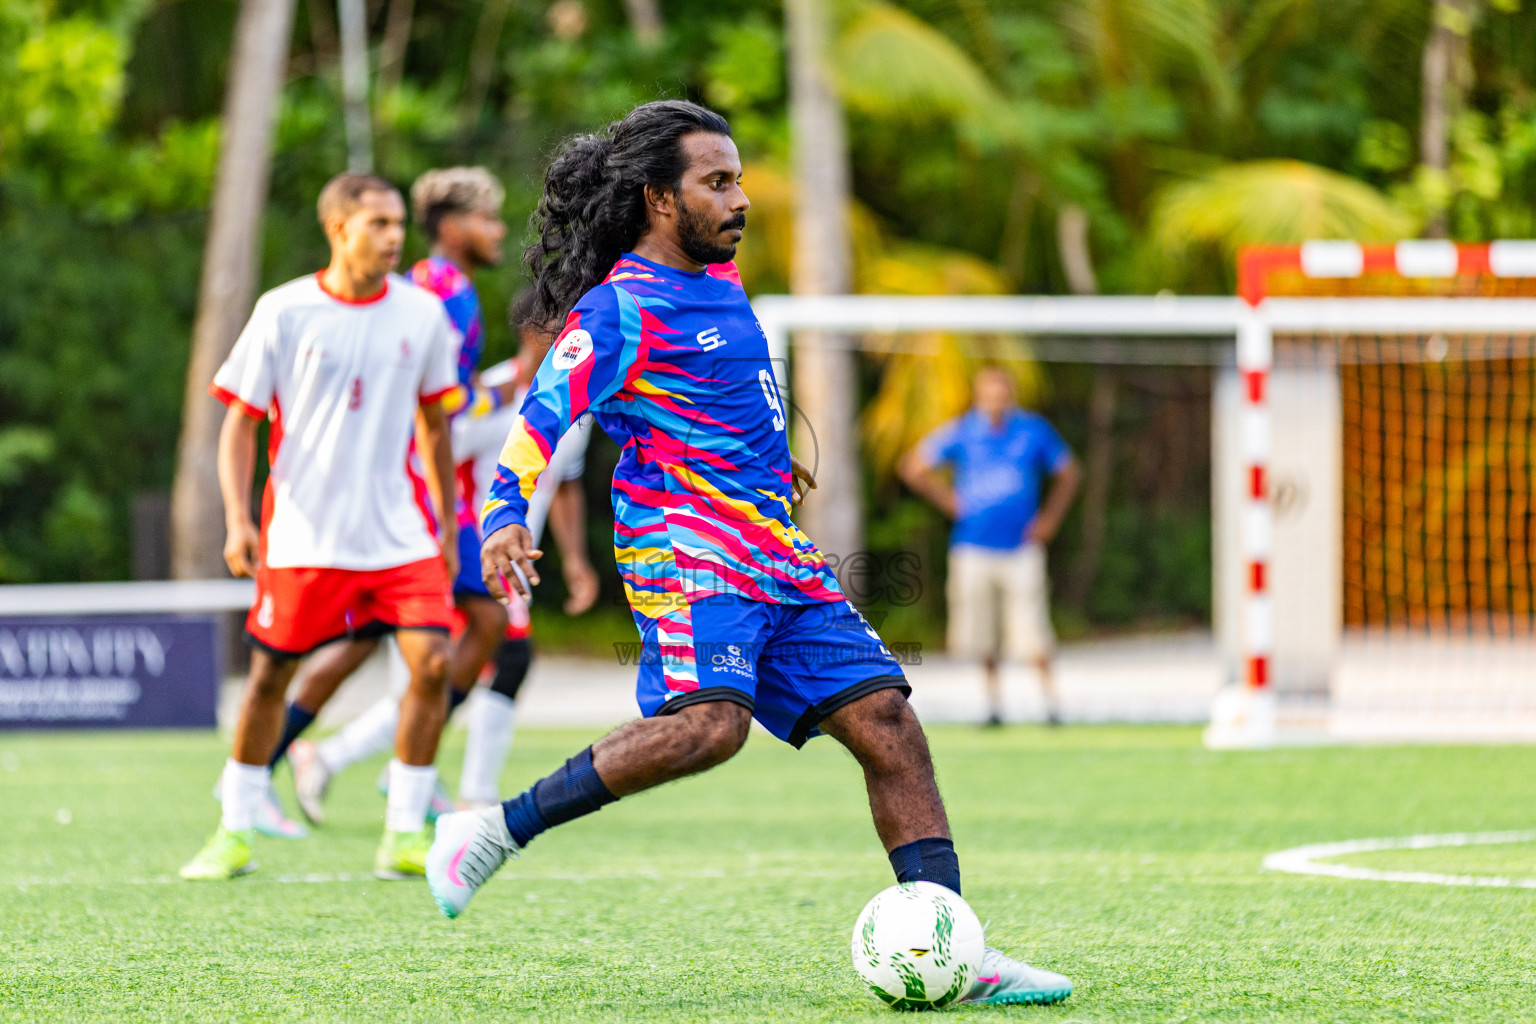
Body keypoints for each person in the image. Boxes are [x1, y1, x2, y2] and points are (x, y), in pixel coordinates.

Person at [423, 100, 1072, 1007]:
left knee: (889, 723)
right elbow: (541, 417)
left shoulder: (722, 286)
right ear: (659, 198)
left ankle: (954, 953)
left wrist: (773, 464)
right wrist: (503, 515)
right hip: (687, 552)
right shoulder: (616, 310)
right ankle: (491, 831)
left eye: (739, 180)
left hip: (776, 551)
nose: (740, 199)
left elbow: (714, 408)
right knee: (710, 728)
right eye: (717, 182)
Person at [181, 172, 460, 882]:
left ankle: (403, 829)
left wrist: (447, 522)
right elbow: (240, 424)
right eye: (379, 224)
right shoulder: (284, 310)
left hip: (401, 534)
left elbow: (434, 422)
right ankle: (235, 825)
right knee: (271, 675)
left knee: (433, 665)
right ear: (339, 229)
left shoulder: (423, 314)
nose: (395, 237)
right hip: (303, 536)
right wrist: (239, 519)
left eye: (399, 223)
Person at [288, 298, 597, 819]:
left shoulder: (577, 404)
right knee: (497, 662)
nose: (575, 339)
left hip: (512, 562)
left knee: (457, 673)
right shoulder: (489, 400)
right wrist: (451, 545)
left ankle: (350, 759)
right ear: (530, 333)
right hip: (467, 558)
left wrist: (575, 561)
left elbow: (563, 485)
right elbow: (435, 460)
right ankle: (464, 791)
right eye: (562, 329)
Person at [900, 366, 1080, 726]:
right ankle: (993, 705)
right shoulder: (963, 431)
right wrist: (949, 501)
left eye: (1001, 393)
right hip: (973, 546)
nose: (996, 400)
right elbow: (913, 466)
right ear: (979, 397)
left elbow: (1069, 472)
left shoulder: (1032, 430)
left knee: (1033, 629)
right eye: (989, 394)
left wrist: (1049, 520)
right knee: (982, 632)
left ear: (1010, 395)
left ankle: (1051, 704)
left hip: (1020, 547)